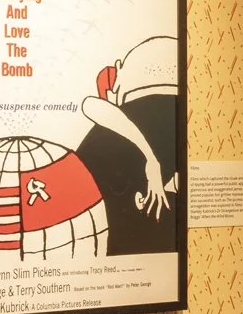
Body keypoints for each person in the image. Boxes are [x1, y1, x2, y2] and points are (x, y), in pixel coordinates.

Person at [74, 35, 182, 254]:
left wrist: (151, 160)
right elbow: (91, 105)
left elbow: (91, 105)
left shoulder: (111, 125)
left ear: (119, 71)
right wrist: (151, 159)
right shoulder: (177, 120)